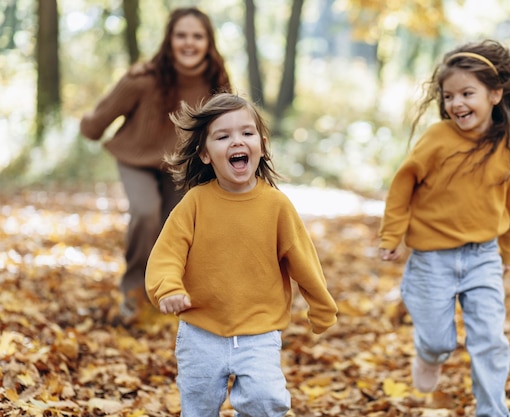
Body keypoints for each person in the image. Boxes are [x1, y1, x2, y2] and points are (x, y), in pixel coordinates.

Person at [145, 93, 338, 416]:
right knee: (198, 405)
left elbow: (303, 260)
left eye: (246, 133)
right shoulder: (195, 203)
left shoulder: (276, 206)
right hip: (201, 332)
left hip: (259, 333)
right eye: (223, 136)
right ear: (206, 154)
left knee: (265, 401)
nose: (237, 141)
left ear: (261, 145)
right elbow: (167, 254)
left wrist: (322, 306)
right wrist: (168, 288)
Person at [378, 39, 510, 417]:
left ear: (495, 94)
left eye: (467, 93)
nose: (456, 103)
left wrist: (506, 253)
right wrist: (392, 234)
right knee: (439, 341)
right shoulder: (436, 139)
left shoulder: (509, 146)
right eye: (449, 96)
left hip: (483, 258)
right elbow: (403, 184)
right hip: (432, 260)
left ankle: (493, 410)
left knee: (490, 339)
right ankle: (430, 354)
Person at [80, 7, 231, 322]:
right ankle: (133, 293)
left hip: (181, 166)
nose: (189, 43)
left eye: (197, 36)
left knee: (175, 228)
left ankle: (166, 291)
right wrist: (89, 124)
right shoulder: (143, 79)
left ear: (208, 42)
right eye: (181, 35)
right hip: (138, 159)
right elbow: (97, 124)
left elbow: (227, 127)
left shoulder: (216, 81)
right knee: (146, 213)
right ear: (169, 40)